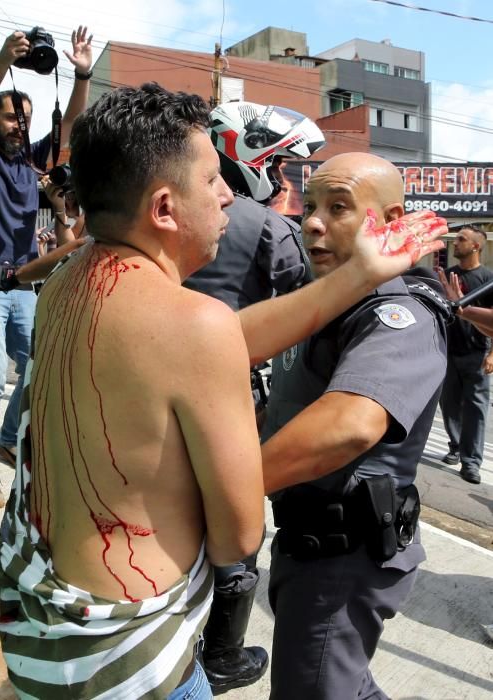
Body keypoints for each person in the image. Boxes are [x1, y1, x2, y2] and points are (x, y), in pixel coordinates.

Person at [0, 84, 446, 699]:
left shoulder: (74, 279)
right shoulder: (190, 325)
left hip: (49, 636)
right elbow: (236, 536)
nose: (231, 194)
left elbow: (222, 337)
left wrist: (361, 274)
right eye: (212, 181)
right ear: (164, 207)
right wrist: (211, 481)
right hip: (135, 661)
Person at [260, 152, 450, 700]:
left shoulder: (398, 313)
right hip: (308, 540)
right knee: (343, 684)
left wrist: (217, 489)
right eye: (311, 205)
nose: (312, 220)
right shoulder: (329, 298)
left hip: (342, 557)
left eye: (338, 207)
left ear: (389, 219)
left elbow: (351, 424)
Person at [185, 100, 325, 694]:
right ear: (254, 154)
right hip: (227, 391)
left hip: (150, 383)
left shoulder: (161, 208)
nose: (291, 179)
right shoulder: (267, 226)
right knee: (236, 526)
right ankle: (221, 655)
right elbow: (313, 298)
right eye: (287, 166)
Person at [0, 25, 93, 508]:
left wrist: (82, 75)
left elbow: (72, 129)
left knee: (43, 363)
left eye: (26, 119)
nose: (19, 125)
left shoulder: (31, 162)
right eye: (11, 117)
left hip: (21, 283)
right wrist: (3, 59)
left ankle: (6, 440)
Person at [438, 225, 493, 484]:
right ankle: (456, 445)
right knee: (449, 405)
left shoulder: (488, 279)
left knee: (476, 409)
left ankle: (471, 462)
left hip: (478, 354)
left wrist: (492, 354)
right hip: (448, 353)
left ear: (476, 246)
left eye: (461, 239)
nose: (455, 242)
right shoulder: (448, 276)